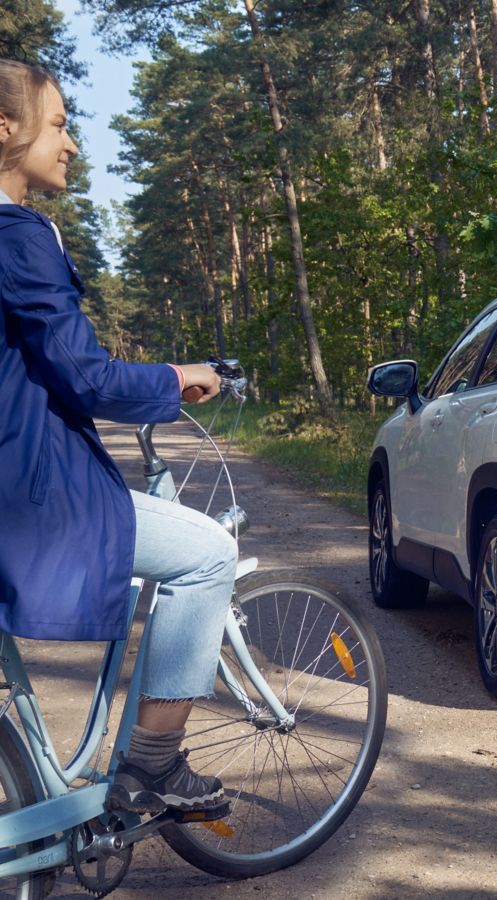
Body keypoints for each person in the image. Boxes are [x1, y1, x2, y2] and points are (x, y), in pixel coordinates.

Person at [0, 60, 235, 811]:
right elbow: (88, 378)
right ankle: (155, 767)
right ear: (6, 129)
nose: (70, 144)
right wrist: (174, 377)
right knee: (208, 555)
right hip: (32, 499)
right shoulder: (19, 236)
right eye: (61, 123)